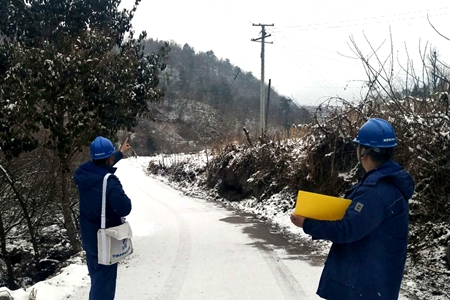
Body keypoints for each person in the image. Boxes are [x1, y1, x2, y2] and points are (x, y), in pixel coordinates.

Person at [291, 118, 415, 300]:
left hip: (363, 286)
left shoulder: (376, 192)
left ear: (363, 151)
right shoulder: (386, 184)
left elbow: (348, 229)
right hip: (373, 282)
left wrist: (308, 224)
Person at [74, 136, 132, 300]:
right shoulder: (110, 182)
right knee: (104, 287)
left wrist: (120, 153)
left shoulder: (84, 173)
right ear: (109, 158)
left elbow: (100, 169)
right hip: (105, 242)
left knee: (97, 280)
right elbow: (124, 208)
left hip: (90, 239)